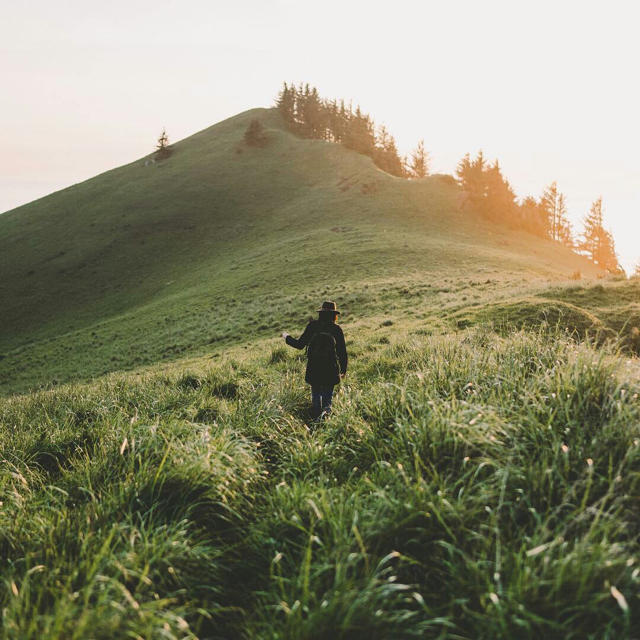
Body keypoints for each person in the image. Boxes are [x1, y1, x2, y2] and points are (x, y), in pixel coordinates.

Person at [282, 301, 347, 419]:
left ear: (321, 313)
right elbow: (342, 352)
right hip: (330, 369)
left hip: (314, 368)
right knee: (327, 402)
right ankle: (326, 422)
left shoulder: (312, 326)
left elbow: (299, 345)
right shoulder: (336, 329)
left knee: (316, 397)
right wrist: (343, 370)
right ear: (334, 315)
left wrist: (287, 337)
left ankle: (314, 421)